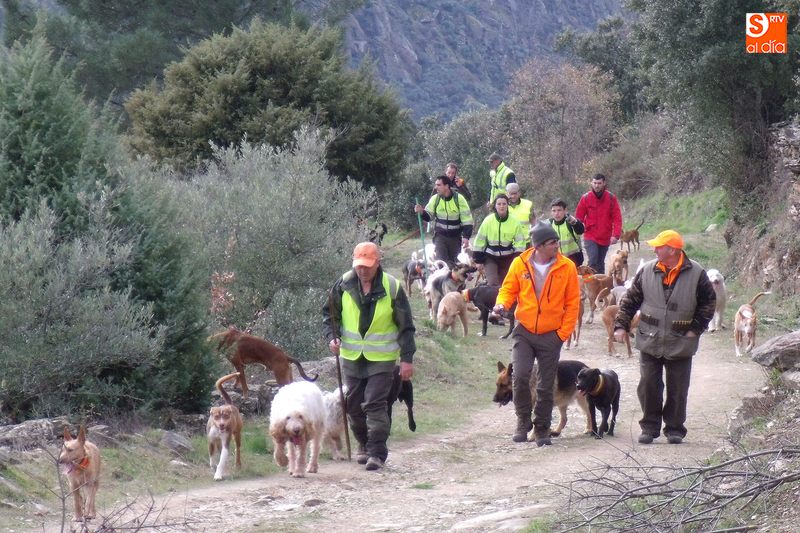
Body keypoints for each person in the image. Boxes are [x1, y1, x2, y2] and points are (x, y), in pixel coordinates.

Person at [613, 230, 715, 445]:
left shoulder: (697, 273)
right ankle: (649, 428)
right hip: (650, 338)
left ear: (672, 250)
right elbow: (630, 300)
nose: (654, 249)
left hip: (681, 341)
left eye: (659, 246)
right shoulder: (647, 270)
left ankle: (675, 429)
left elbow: (708, 303)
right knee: (648, 385)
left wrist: (695, 329)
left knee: (678, 387)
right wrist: (621, 326)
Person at [322, 242, 416, 470]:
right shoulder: (343, 284)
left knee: (374, 402)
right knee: (353, 406)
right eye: (359, 266)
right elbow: (330, 315)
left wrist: (406, 359)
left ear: (377, 264)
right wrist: (331, 337)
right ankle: (363, 445)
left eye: (367, 266)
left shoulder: (392, 287)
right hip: (352, 357)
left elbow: (406, 326)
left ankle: (377, 452)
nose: (362, 270)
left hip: (382, 359)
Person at [492, 221, 580, 446]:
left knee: (546, 383)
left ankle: (542, 428)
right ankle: (523, 422)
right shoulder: (520, 264)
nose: (557, 245)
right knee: (519, 376)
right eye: (552, 242)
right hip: (525, 331)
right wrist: (501, 305)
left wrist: (562, 334)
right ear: (539, 245)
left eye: (557, 242)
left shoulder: (567, 266)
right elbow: (508, 290)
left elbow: (573, 303)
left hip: (552, 334)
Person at [414, 175, 473, 268]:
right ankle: (442, 281)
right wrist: (421, 212)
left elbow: (467, 220)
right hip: (440, 237)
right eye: (435, 185)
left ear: (446, 186)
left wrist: (466, 237)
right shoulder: (435, 199)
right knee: (441, 263)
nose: (436, 187)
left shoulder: (459, 199)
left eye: (438, 185)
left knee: (455, 264)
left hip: (455, 238)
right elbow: (429, 216)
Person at [472, 194, 527, 286]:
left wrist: (517, 259)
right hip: (490, 257)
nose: (502, 206)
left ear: (507, 205)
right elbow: (479, 241)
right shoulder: (488, 221)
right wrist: (478, 261)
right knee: (493, 283)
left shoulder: (514, 222)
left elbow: (520, 243)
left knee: (506, 285)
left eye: (504, 204)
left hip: (507, 258)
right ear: (495, 206)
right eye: (499, 204)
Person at [574, 173, 622, 275]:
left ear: (604, 183)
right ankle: (589, 286)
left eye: (599, 183)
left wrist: (616, 235)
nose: (596, 185)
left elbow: (617, 218)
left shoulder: (611, 198)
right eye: (595, 183)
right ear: (591, 183)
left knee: (600, 263)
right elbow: (579, 218)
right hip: (590, 236)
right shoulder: (585, 198)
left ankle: (600, 287)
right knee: (593, 261)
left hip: (605, 236)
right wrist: (576, 230)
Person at [548, 198, 585, 267]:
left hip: (574, 261)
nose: (556, 213)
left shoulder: (571, 222)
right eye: (554, 211)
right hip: (556, 262)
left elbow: (581, 230)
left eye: (559, 210)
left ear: (565, 210)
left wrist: (574, 222)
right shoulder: (549, 224)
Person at [505, 183, 535, 247]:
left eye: (515, 193)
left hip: (526, 243)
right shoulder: (502, 206)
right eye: (511, 194)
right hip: (508, 244)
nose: (513, 196)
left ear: (519, 193)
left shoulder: (528, 204)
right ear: (506, 193)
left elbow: (534, 224)